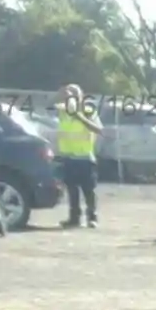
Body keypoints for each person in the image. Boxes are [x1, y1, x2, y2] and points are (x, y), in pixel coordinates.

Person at [54, 84, 103, 228]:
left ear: (81, 97)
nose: (71, 97)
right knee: (72, 191)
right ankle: (74, 218)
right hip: (69, 157)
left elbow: (99, 129)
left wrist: (79, 117)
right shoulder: (63, 111)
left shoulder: (88, 111)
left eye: (74, 94)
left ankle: (92, 217)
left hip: (85, 157)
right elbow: (55, 100)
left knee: (89, 191)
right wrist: (63, 93)